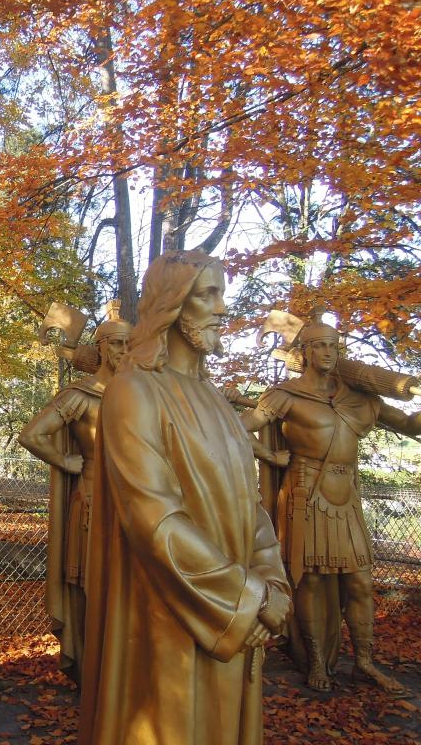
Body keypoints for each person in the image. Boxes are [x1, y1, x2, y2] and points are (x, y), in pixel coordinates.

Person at [78, 250, 291, 745]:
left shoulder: (216, 400)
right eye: (208, 294)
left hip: (232, 610)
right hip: (168, 614)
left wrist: (270, 584)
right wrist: (246, 598)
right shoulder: (133, 392)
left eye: (222, 294)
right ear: (173, 304)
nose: (222, 308)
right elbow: (153, 519)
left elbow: (250, 504)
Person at [240, 318, 420, 694]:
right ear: (303, 352)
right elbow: (240, 427)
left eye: (334, 347)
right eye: (320, 346)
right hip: (307, 494)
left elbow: (407, 424)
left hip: (346, 497)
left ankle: (365, 662)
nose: (328, 353)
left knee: (360, 582)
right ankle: (316, 660)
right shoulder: (285, 395)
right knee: (312, 579)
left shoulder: (359, 398)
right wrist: (269, 456)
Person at [17, 311, 131, 683]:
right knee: (90, 586)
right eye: (116, 342)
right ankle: (90, 667)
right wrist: (65, 461)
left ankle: (121, 669)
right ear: (99, 347)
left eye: (129, 343)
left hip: (137, 503)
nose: (124, 350)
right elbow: (33, 435)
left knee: (128, 586)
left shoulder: (140, 395)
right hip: (94, 500)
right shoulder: (81, 395)